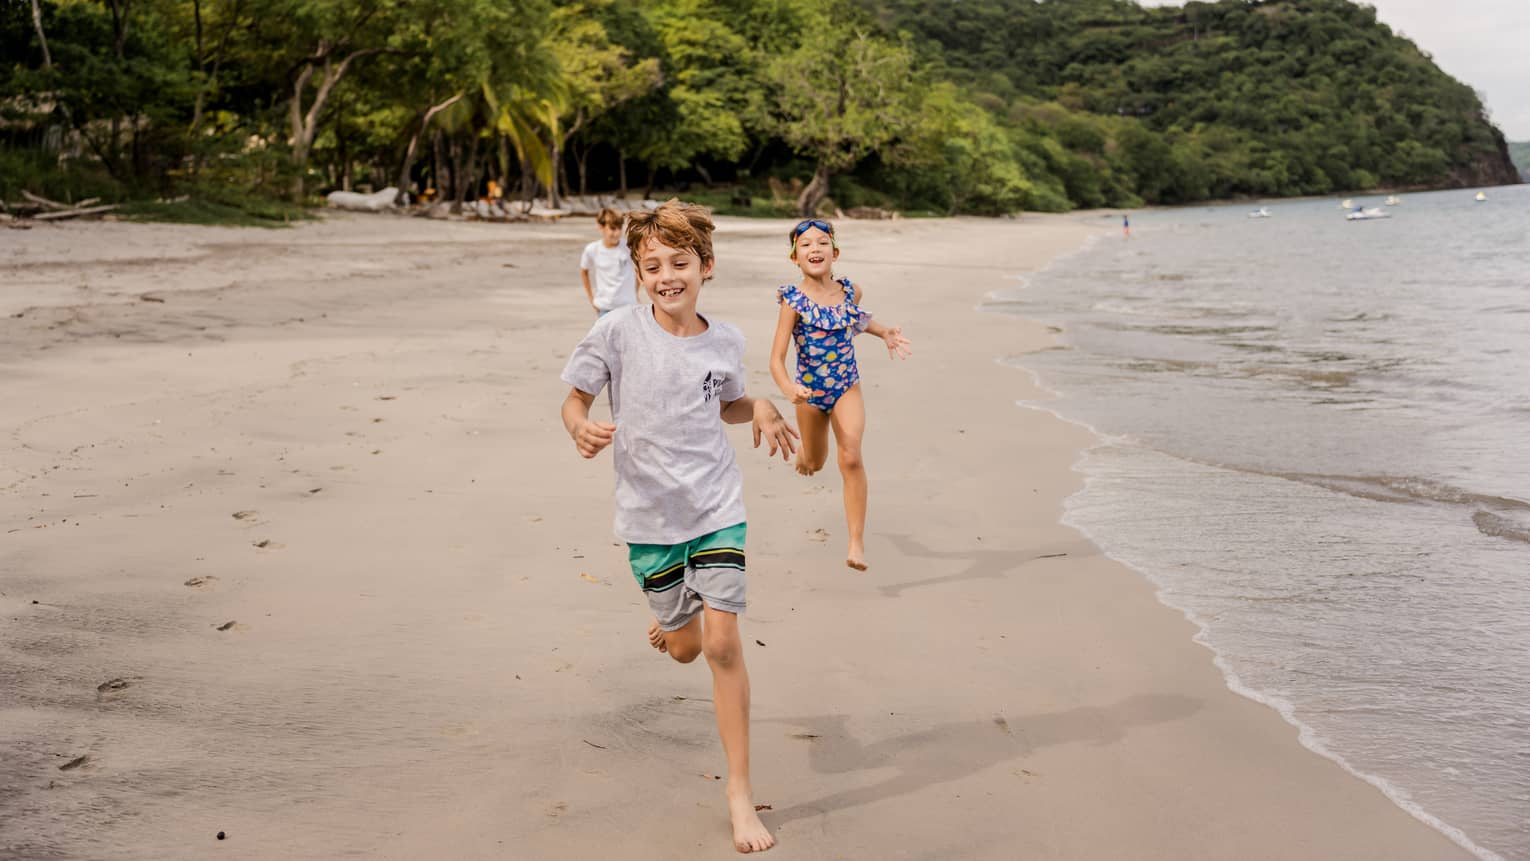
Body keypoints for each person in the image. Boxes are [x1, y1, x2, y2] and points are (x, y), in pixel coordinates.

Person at [560, 200, 797, 854]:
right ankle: (672, 624)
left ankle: (739, 792)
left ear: (706, 267)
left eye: (680, 262)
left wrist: (764, 405)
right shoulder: (616, 333)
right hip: (649, 519)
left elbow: (726, 405)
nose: (667, 275)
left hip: (717, 508)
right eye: (653, 265)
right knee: (688, 647)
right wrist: (579, 425)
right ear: (638, 274)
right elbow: (574, 397)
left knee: (723, 646)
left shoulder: (724, 340)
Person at [769, 218, 911, 571]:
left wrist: (885, 333)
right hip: (810, 395)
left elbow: (854, 319)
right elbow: (776, 359)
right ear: (794, 257)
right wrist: (790, 389)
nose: (814, 249)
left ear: (834, 252)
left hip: (847, 386)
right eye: (805, 245)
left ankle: (856, 543)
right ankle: (805, 455)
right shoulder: (793, 301)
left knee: (850, 458)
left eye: (821, 243)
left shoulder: (850, 291)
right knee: (814, 462)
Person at [580, 207, 637, 316]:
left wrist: (635, 291)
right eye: (612, 228)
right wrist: (592, 299)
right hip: (605, 308)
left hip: (628, 307)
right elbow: (584, 271)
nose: (617, 232)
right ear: (601, 227)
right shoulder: (592, 250)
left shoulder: (628, 247)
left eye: (619, 228)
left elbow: (639, 269)